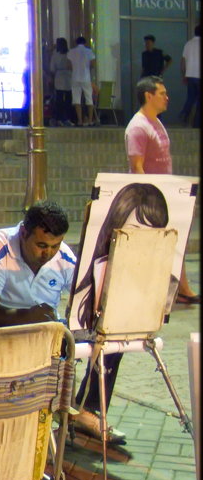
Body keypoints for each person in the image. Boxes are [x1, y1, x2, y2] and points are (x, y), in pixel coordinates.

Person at [69, 182, 175, 445]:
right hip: (80, 324)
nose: (140, 241)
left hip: (119, 317)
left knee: (115, 341)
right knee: (105, 340)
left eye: (152, 233)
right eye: (134, 231)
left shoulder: (156, 272)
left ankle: (86, 410)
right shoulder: (99, 267)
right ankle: (83, 410)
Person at [124, 75, 199, 304]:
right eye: (162, 93)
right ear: (148, 96)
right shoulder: (138, 126)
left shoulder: (155, 121)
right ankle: (157, 292)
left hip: (166, 194)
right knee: (155, 246)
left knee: (178, 240)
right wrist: (151, 199)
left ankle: (182, 289)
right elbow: (137, 167)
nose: (167, 97)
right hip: (151, 198)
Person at [0, 200, 76, 329]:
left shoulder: (65, 257)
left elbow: (85, 302)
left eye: (55, 246)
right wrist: (27, 317)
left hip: (46, 335)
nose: (48, 253)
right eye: (41, 245)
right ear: (23, 233)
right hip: (1, 332)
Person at [69, 36, 97, 127]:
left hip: (75, 77)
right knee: (89, 99)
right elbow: (93, 64)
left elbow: (68, 65)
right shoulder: (89, 51)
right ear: (85, 43)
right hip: (86, 77)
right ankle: (89, 120)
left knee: (76, 99)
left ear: (76, 42)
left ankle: (80, 120)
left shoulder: (71, 51)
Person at [49, 37, 74, 126]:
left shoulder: (55, 54)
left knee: (59, 100)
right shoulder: (70, 53)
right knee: (68, 99)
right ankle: (67, 118)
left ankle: (58, 118)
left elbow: (52, 68)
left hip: (59, 76)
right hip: (68, 77)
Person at [180, 23, 200, 127]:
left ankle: (184, 113)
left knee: (190, 98)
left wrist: (184, 75)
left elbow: (183, 61)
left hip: (190, 76)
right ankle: (196, 124)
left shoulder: (188, 44)